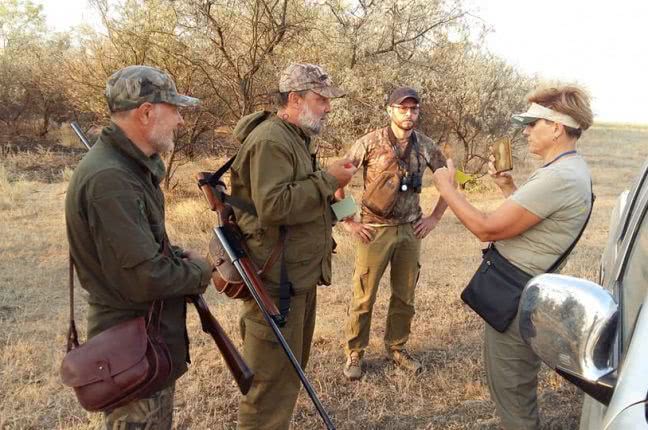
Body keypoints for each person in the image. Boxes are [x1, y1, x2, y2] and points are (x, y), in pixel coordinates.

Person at [432, 84, 594, 429]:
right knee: (511, 392)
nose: (525, 131)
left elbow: (486, 228)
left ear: (556, 127)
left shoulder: (560, 176)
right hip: (521, 292)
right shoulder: (567, 169)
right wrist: (508, 188)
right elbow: (537, 220)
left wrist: (446, 188)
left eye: (532, 123)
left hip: (516, 299)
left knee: (513, 399)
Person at [65, 65, 213, 429]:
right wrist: (199, 271)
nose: (180, 120)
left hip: (141, 342)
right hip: (130, 349)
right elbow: (145, 278)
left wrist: (176, 256)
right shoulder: (111, 178)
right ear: (146, 112)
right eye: (174, 109)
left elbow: (141, 250)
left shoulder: (127, 168)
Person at [229, 63, 356, 430]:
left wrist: (341, 207)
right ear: (295, 99)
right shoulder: (272, 140)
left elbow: (305, 199)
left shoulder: (295, 137)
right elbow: (274, 207)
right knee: (269, 384)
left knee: (289, 371)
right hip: (274, 284)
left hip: (295, 278)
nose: (327, 108)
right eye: (320, 100)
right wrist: (329, 178)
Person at [341, 87, 448, 380]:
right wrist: (349, 221)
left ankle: (397, 348)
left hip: (410, 230)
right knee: (364, 296)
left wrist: (435, 217)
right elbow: (338, 180)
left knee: (405, 295)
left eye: (414, 109)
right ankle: (355, 353)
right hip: (374, 230)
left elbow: (450, 183)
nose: (409, 114)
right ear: (389, 110)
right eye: (403, 108)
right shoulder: (369, 143)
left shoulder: (426, 145)